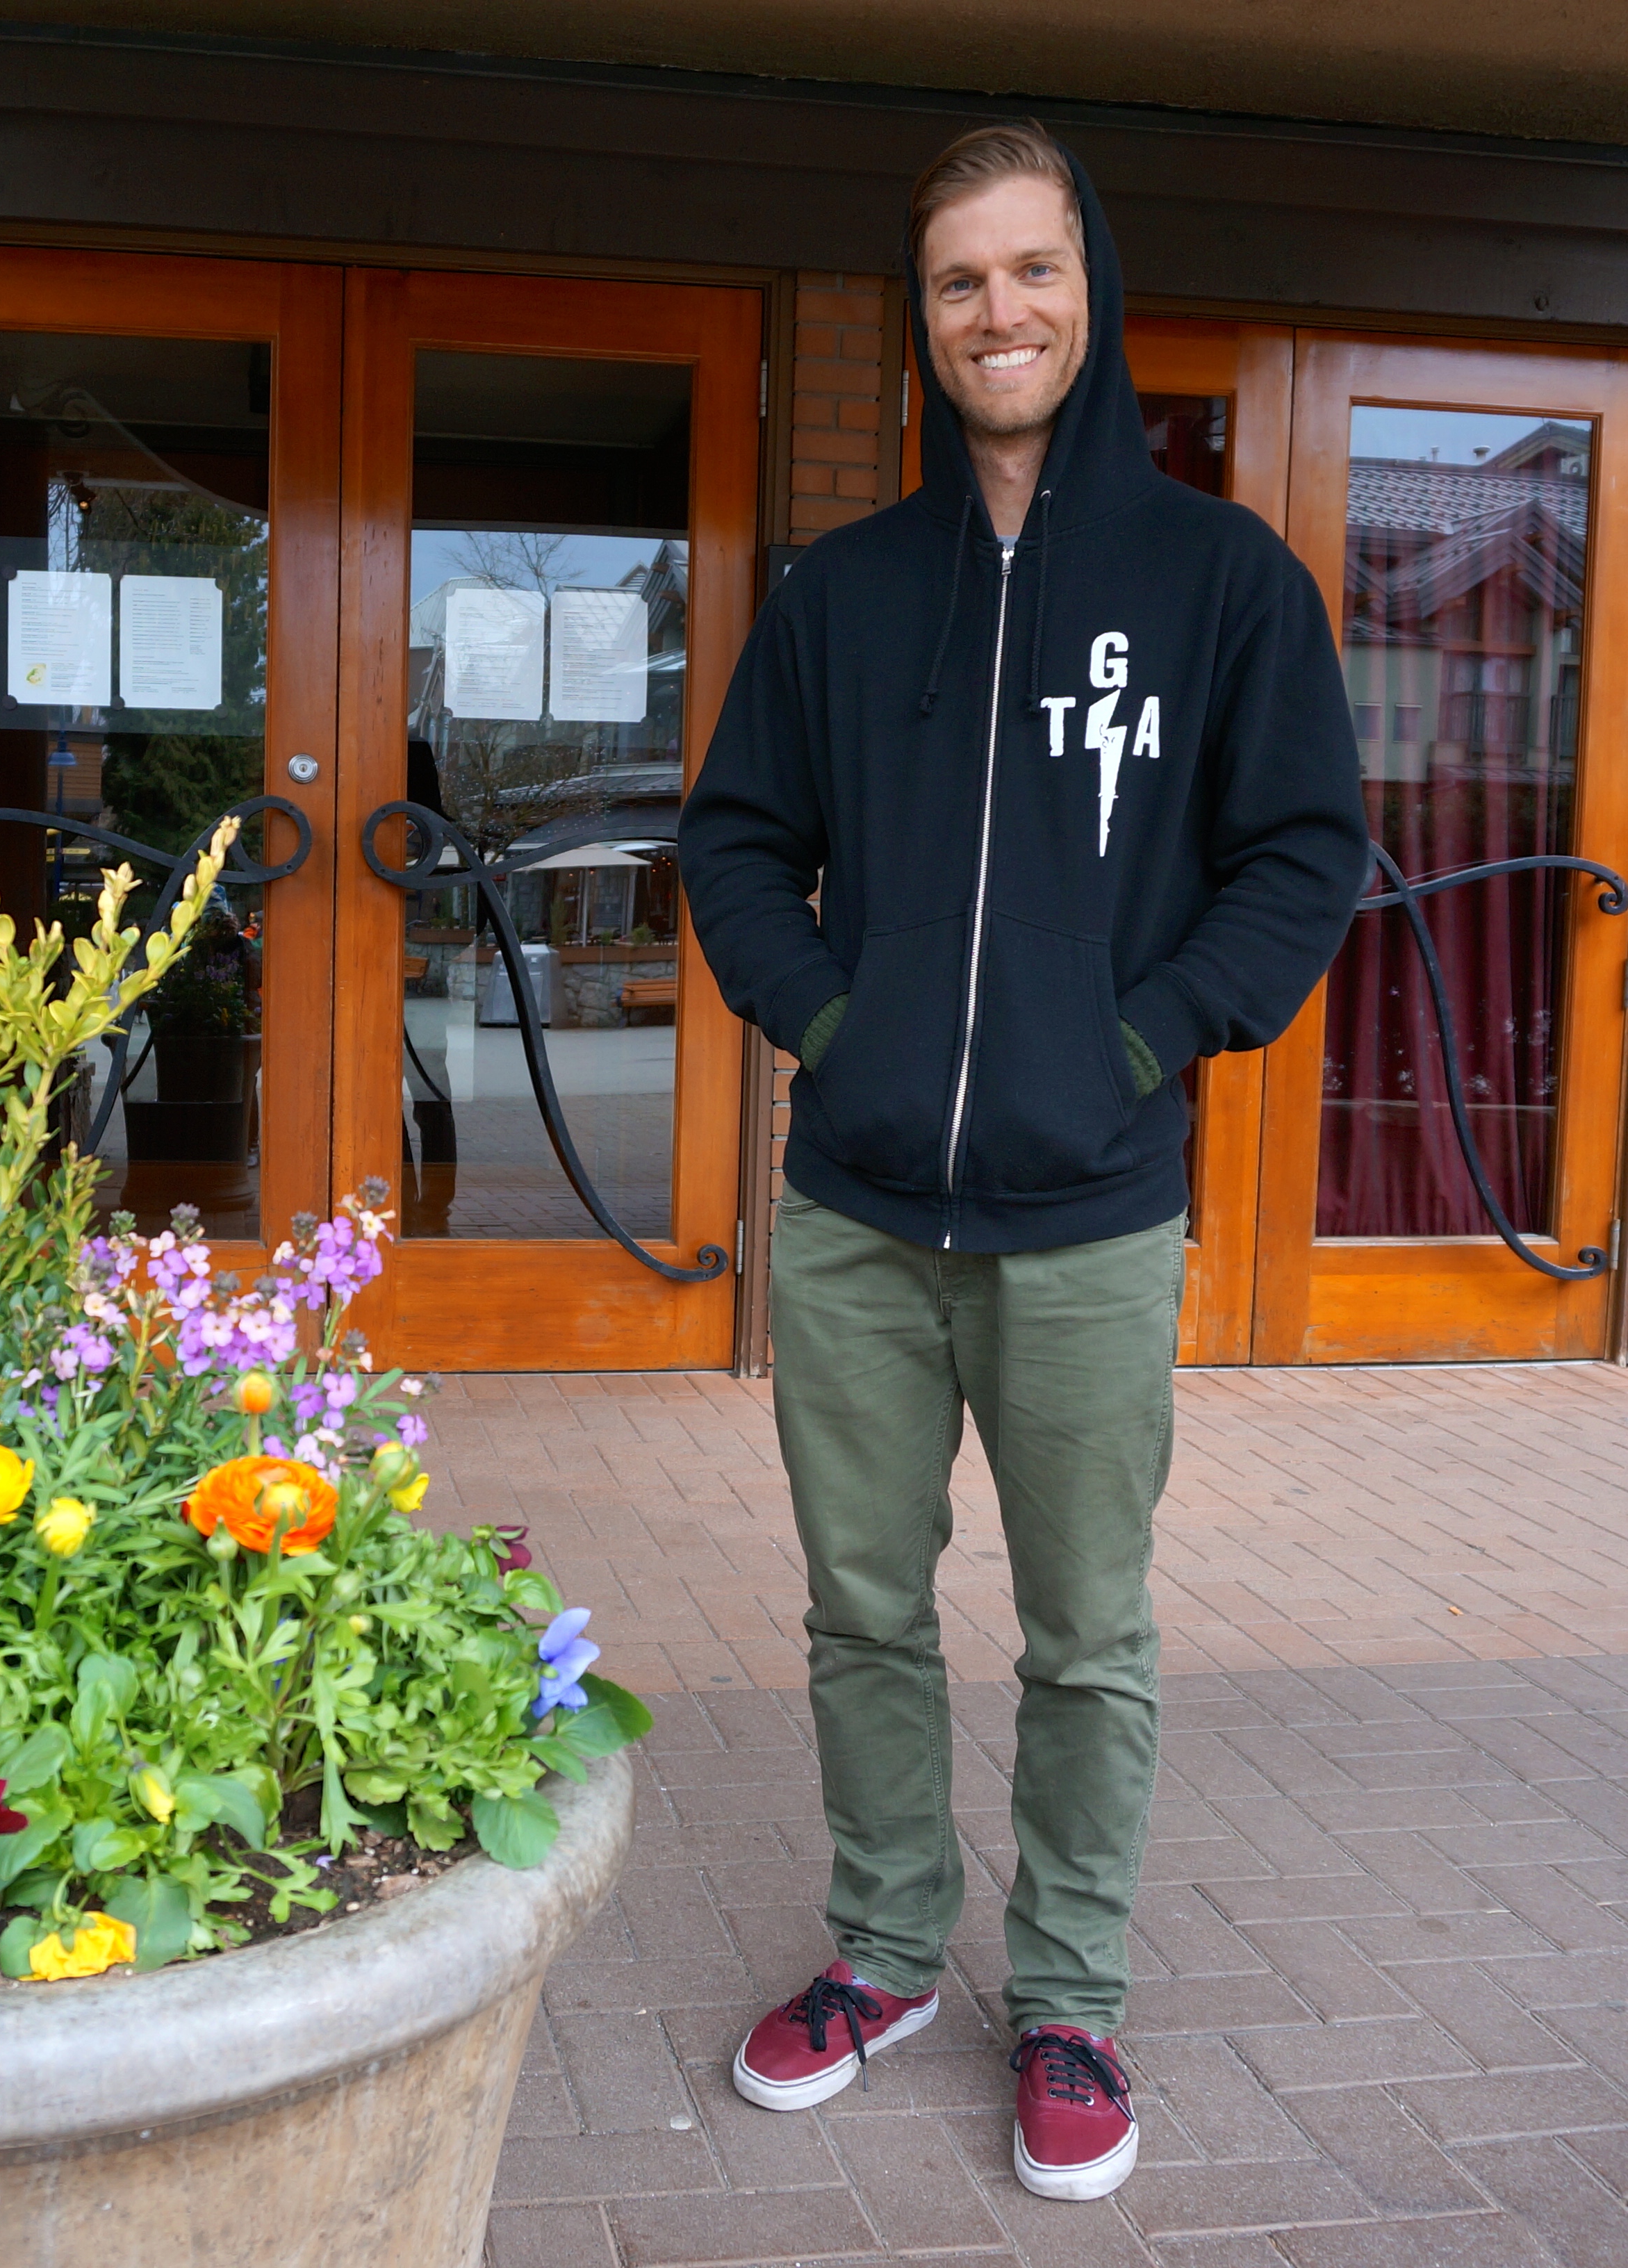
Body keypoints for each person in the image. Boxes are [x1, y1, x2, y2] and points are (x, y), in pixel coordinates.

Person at [675, 123, 1369, 2202]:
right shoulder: (843, 594)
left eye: (1033, 269)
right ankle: (886, 1952)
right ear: (924, 318)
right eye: (960, 280)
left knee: (1086, 1633)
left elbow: (1299, 859)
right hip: (856, 1213)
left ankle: (1066, 1998)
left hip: (1089, 1218)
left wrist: (1137, 1042)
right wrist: (836, 1030)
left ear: (1093, 286)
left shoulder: (1220, 585)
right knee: (860, 1610)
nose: (1001, 312)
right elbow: (736, 845)